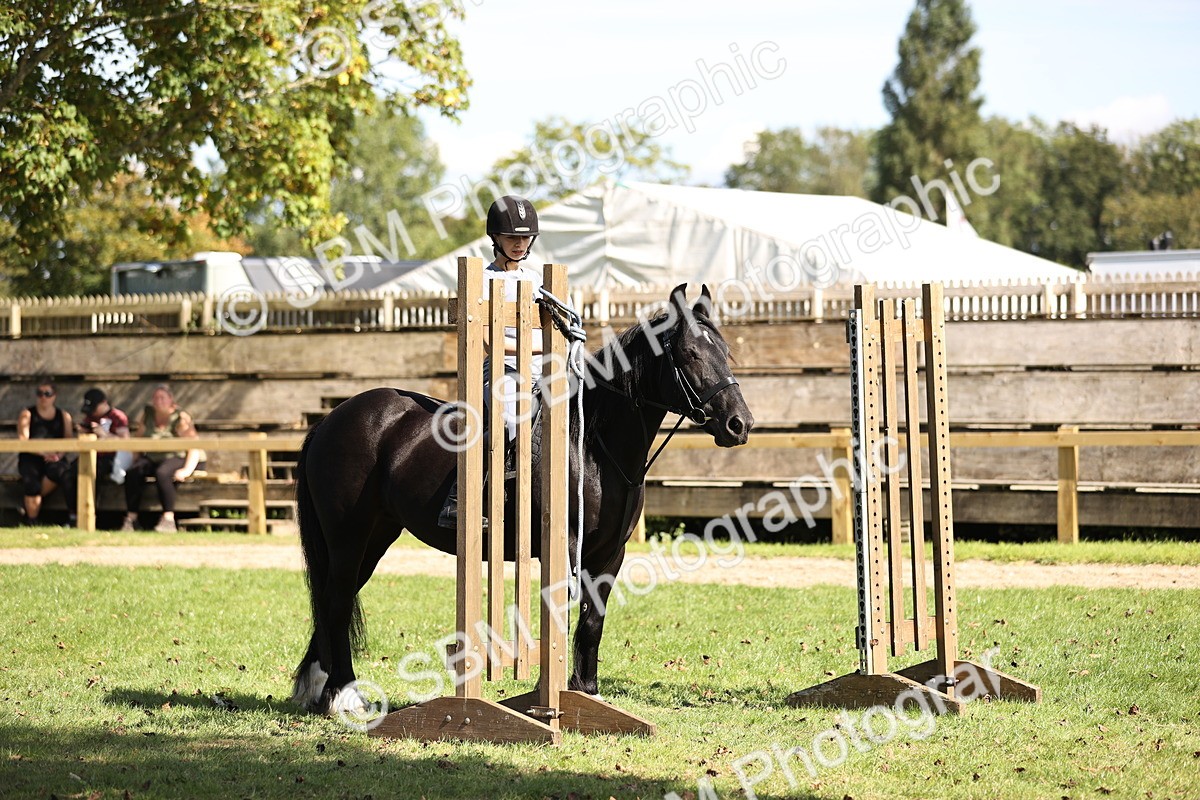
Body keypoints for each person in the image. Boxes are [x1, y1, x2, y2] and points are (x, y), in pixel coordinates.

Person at [439, 195, 546, 529]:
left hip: (546, 369)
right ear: (495, 238)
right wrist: (531, 353)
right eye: (512, 237)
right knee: (513, 413)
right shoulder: (482, 281)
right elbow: (487, 341)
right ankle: (458, 501)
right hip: (502, 370)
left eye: (525, 237)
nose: (519, 243)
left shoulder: (540, 281)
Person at [121, 384, 204, 533]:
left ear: (171, 400)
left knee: (163, 473)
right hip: (153, 456)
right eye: (155, 398)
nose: (158, 401)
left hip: (178, 456)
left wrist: (186, 470)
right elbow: (138, 441)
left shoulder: (180, 417)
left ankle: (168, 519)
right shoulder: (148, 415)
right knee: (133, 472)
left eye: (162, 398)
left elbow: (194, 446)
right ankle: (131, 519)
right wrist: (135, 460)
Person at [16, 381, 76, 526]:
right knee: (31, 482)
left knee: (64, 473)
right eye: (40, 393)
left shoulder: (64, 416)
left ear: (54, 396)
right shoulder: (27, 414)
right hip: (32, 456)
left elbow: (68, 439)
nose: (43, 397)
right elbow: (23, 440)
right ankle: (32, 520)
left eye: (47, 393)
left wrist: (58, 455)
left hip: (56, 458)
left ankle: (73, 517)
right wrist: (44, 453)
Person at [68, 389, 131, 519]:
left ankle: (90, 515)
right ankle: (74, 514)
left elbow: (125, 442)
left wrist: (104, 434)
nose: (93, 412)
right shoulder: (90, 417)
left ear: (103, 403)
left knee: (93, 472)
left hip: (111, 457)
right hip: (90, 455)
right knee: (69, 473)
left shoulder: (117, 416)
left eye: (94, 408)